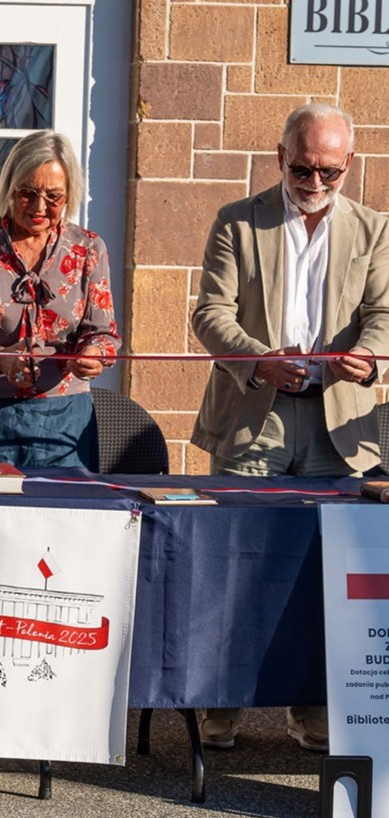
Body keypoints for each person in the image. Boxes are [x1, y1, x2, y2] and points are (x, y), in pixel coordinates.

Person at [191, 103, 389, 753]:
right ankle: (222, 710)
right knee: (233, 563)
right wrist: (258, 360)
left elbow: (384, 312)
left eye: (329, 172)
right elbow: (210, 314)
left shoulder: (373, 229)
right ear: (279, 158)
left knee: (329, 574)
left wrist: (367, 356)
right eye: (302, 167)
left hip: (339, 422)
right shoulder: (237, 223)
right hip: (257, 414)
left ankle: (315, 714)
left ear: (348, 166)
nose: (314, 182)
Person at [0, 130, 119, 468]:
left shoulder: (88, 248)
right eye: (27, 194)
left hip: (63, 418)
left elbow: (103, 334)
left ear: (70, 195)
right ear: (9, 188)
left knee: (62, 516)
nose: (39, 207)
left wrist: (94, 354)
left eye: (54, 197)